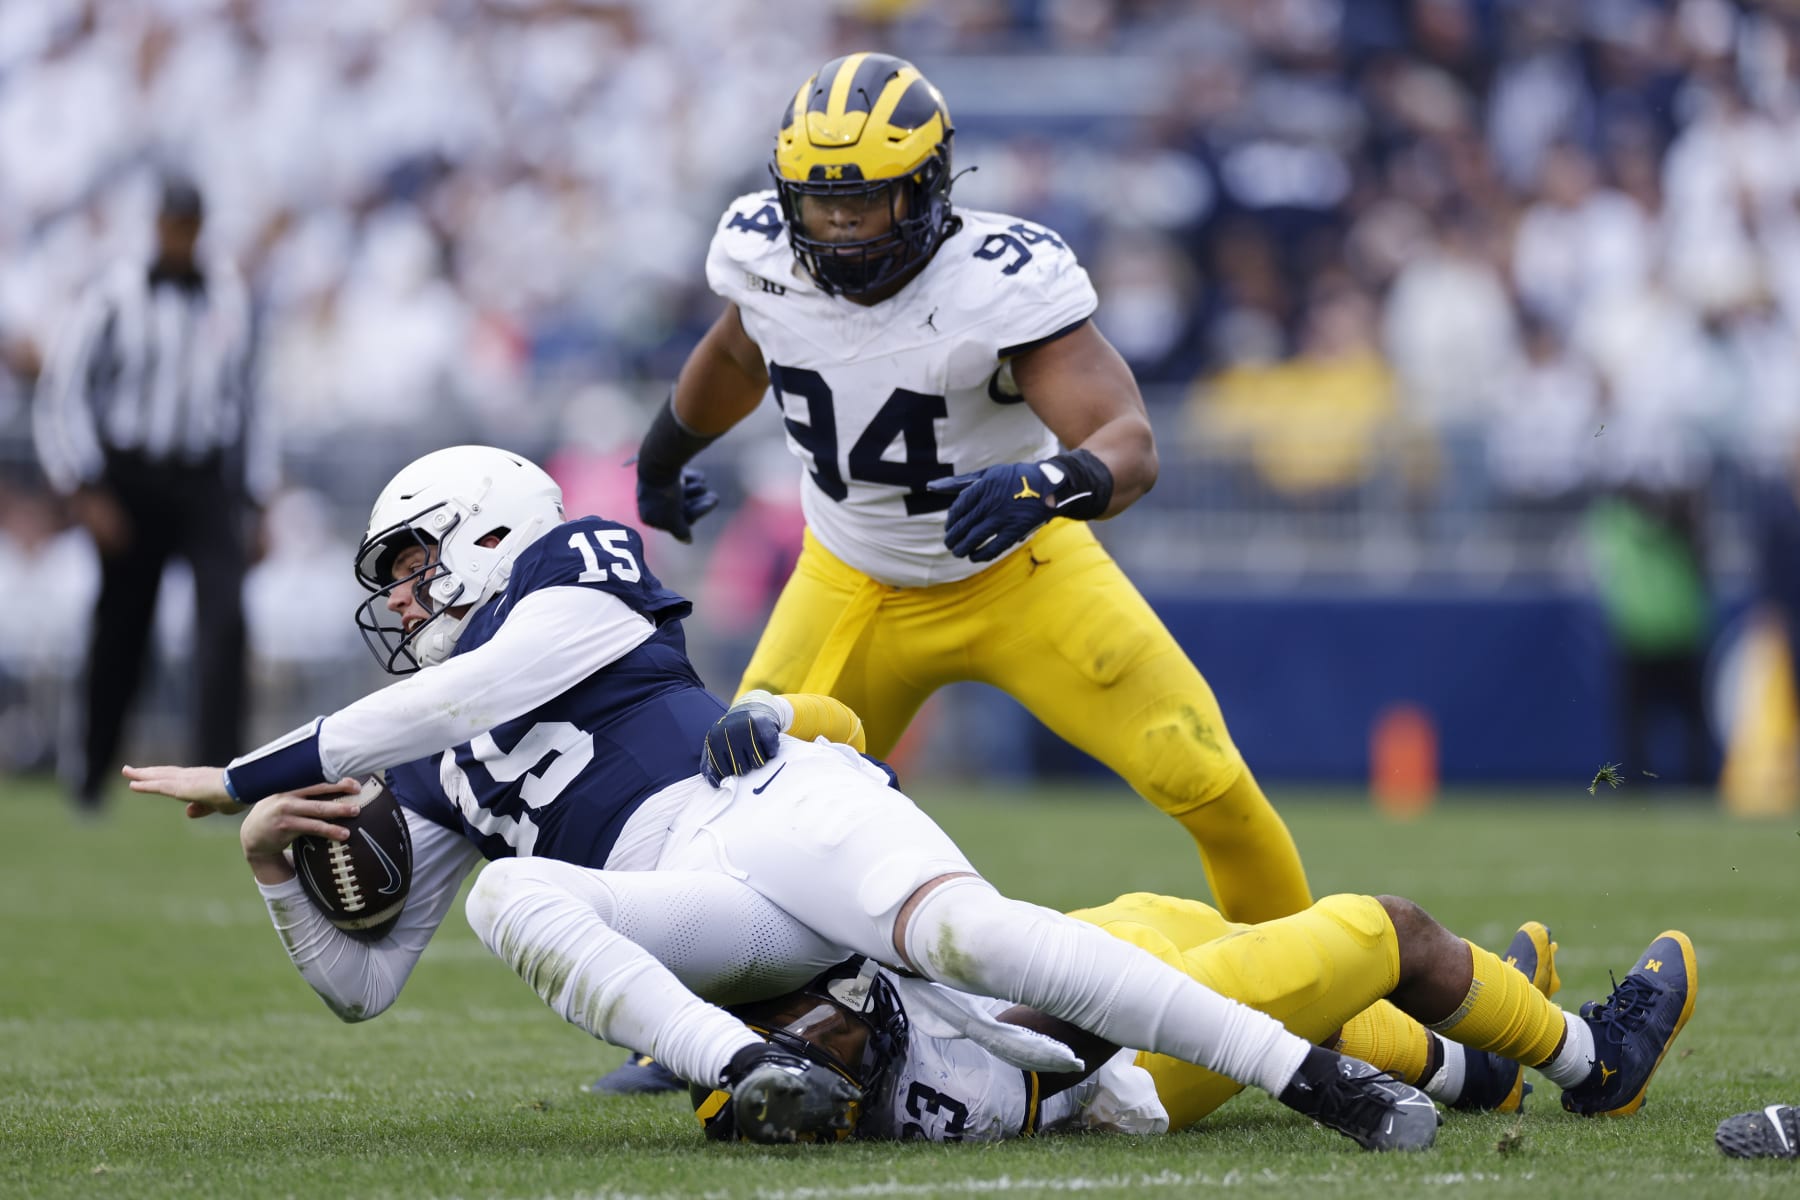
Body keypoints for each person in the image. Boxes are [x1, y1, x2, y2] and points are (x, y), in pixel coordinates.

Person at [124, 444, 1439, 1151]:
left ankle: (1319, 1080)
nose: (403, 599)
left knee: (972, 936)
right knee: (508, 894)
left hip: (765, 805)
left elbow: (478, 689)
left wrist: (247, 770)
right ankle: (749, 1072)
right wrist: (272, 862)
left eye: (413, 564)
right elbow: (361, 987)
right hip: (699, 910)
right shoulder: (426, 766)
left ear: (485, 531)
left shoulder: (570, 566)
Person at [613, 49, 1296, 1093]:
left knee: (1204, 777)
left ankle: (1307, 985)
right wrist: (662, 457)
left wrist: (1049, 481)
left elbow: (1128, 443)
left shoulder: (998, 280)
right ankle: (711, 1032)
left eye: (866, 203)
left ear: (930, 189)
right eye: (822, 205)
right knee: (739, 817)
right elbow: (741, 353)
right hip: (852, 579)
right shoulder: (762, 256)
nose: (841, 230)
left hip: (1025, 572)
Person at [685, 889, 1696, 1143]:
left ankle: (1481, 1065)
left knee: (1195, 925)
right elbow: (1092, 1013)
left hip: (1031, 998)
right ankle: (1594, 1062)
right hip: (1116, 1066)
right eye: (820, 1028)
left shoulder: (751, 1048)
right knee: (1380, 932)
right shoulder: (950, 1083)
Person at [32, 170, 271, 812]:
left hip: (205, 479)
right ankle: (91, 776)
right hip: (130, 478)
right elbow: (64, 392)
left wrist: (258, 495)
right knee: (122, 627)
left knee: (225, 621)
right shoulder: (114, 293)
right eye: (173, 224)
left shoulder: (227, 294)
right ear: (158, 225)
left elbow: (251, 399)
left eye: (190, 225)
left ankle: (222, 779)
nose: (181, 236)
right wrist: (85, 486)